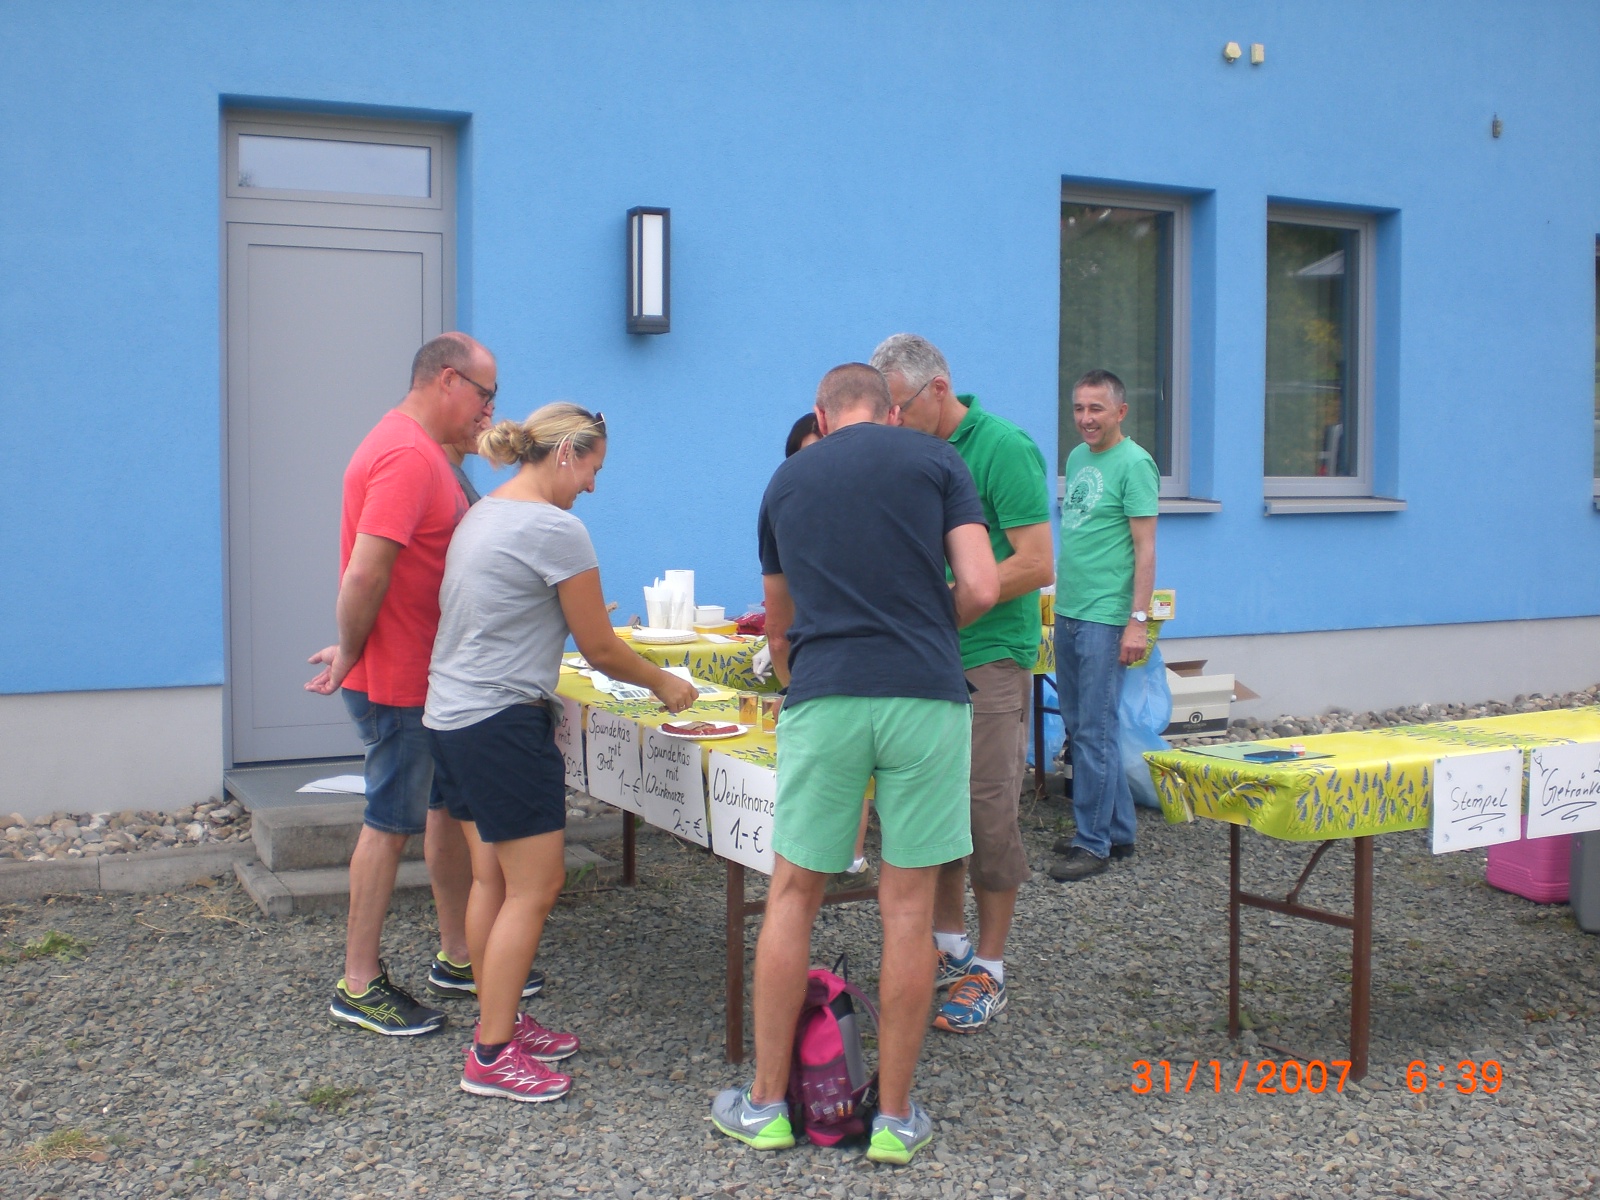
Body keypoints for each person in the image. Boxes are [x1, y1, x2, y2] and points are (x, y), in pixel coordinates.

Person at [711, 363, 998, 1164]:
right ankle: (895, 1120)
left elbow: (778, 623)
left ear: (821, 414)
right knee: (907, 907)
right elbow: (980, 585)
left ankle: (766, 1106)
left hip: (827, 695)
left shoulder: (787, 480)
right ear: (893, 411)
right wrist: (924, 627)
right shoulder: (938, 461)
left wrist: (803, 674)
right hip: (926, 696)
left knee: (792, 896)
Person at [425, 403, 697, 1102]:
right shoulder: (555, 528)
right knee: (535, 887)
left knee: (491, 880)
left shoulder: (484, 512)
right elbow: (599, 647)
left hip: (451, 716)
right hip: (500, 724)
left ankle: (499, 1020)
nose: (593, 487)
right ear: (568, 452)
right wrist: (665, 682)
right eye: (593, 469)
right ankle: (491, 1056)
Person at [307, 332, 524, 1036]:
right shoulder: (405, 454)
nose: (490, 410)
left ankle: (458, 955)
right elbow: (366, 571)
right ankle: (358, 983)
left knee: (440, 813)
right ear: (448, 380)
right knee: (388, 824)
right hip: (399, 677)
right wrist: (351, 647)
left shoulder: (426, 451)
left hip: (427, 675)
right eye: (485, 395)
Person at [870, 334, 1054, 1034]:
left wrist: (947, 603)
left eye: (900, 406)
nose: (892, 420)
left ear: (939, 389)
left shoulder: (1002, 447)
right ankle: (948, 944)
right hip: (924, 654)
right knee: (931, 809)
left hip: (987, 653)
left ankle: (991, 967)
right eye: (884, 409)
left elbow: (1036, 562)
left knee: (986, 811)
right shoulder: (909, 451)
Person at [1046, 369, 1158, 882]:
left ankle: (1091, 843)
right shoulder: (1077, 457)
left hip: (1106, 618)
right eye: (1079, 408)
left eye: (1096, 408)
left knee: (1096, 730)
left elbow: (1145, 550)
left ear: (1120, 412)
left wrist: (1138, 621)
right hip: (1070, 610)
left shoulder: (1136, 464)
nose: (1086, 418)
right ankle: (1117, 830)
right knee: (1081, 726)